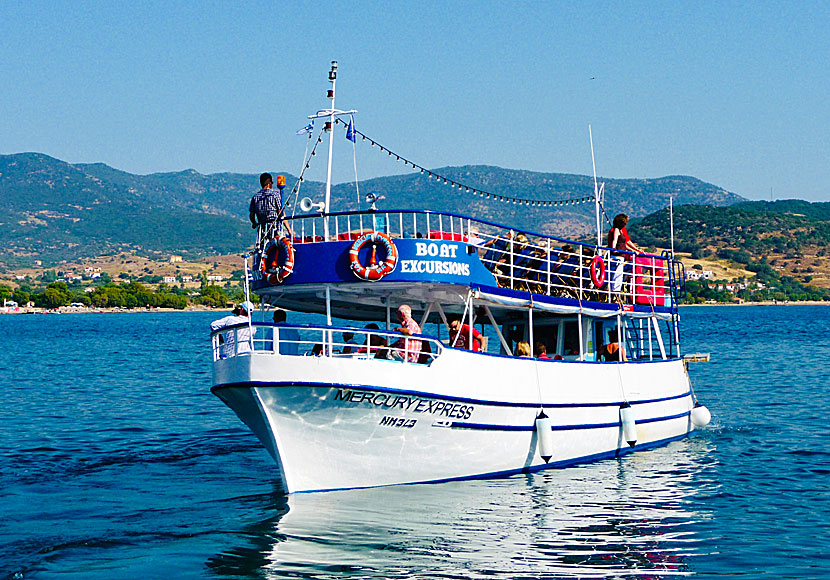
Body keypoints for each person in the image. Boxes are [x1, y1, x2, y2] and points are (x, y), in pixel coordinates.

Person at [607, 214, 643, 293]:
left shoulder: (621, 231)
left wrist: (635, 250)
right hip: (618, 256)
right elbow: (615, 241)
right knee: (616, 276)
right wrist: (614, 249)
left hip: (622, 256)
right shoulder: (616, 230)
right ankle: (615, 293)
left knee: (619, 276)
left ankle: (618, 292)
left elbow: (625, 244)